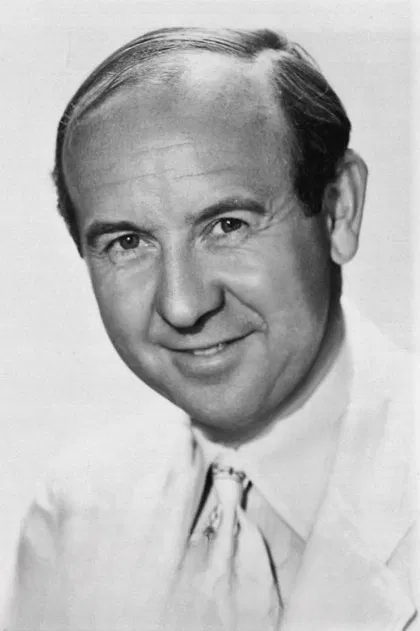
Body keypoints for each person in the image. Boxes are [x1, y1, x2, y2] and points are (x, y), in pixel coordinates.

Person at [2, 27, 418, 630]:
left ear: (338, 210)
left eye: (227, 225)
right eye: (128, 242)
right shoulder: (74, 515)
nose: (182, 306)